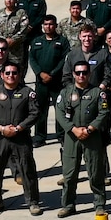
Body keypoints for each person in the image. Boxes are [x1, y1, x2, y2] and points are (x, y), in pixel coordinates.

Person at [0, 62, 41, 215]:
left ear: (19, 75)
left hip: (21, 137)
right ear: (2, 75)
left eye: (14, 73)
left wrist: (18, 128)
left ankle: (33, 202)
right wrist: (1, 128)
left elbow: (34, 114)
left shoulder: (27, 92)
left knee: (27, 169)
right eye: (8, 73)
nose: (11, 76)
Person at [56, 61, 110, 217]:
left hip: (91, 138)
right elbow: (59, 114)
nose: (81, 75)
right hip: (71, 138)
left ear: (89, 74)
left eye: (84, 72)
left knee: (95, 172)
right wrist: (73, 129)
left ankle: (99, 204)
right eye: (78, 72)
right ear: (73, 74)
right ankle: (68, 204)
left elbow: (103, 113)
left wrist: (89, 129)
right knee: (70, 174)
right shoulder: (65, 93)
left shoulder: (97, 93)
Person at [29, 17, 69, 146]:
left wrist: (52, 74)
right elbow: (32, 59)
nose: (48, 27)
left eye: (51, 24)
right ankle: (40, 137)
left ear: (56, 25)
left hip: (57, 82)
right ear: (42, 26)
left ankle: (61, 135)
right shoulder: (36, 41)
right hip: (41, 82)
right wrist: (40, 73)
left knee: (60, 109)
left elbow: (64, 59)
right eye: (46, 24)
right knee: (40, 110)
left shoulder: (62, 41)